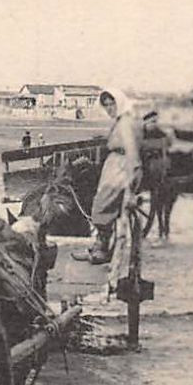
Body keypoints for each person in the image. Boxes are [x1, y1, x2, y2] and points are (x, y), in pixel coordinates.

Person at [76, 88, 141, 265]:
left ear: (119, 102)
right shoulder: (120, 121)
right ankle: (100, 245)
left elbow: (132, 151)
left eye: (112, 104)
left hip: (121, 167)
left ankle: (102, 249)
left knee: (101, 205)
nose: (109, 108)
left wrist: (132, 178)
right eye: (106, 105)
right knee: (99, 201)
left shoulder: (126, 123)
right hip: (113, 166)